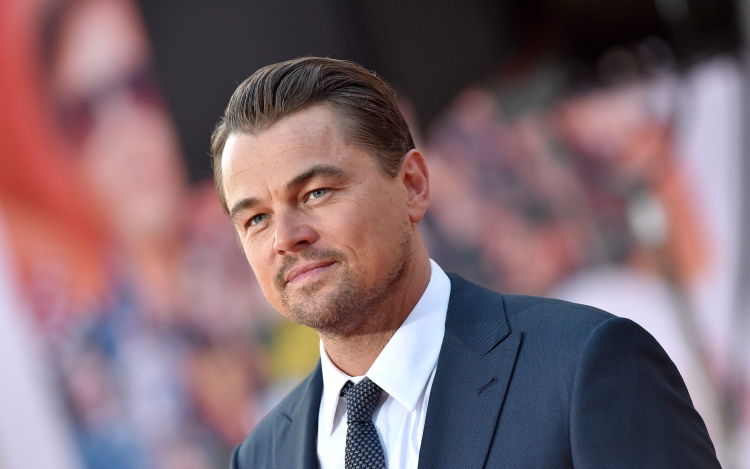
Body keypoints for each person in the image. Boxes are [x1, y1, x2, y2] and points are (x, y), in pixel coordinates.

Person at [211, 57, 720, 468]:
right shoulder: (260, 457)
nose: (286, 238)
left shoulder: (584, 367)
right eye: (255, 219)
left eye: (317, 192)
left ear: (413, 186)